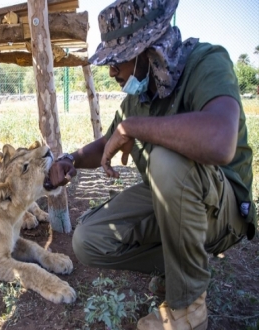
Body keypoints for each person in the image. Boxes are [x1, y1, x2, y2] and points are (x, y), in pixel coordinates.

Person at [49, 0, 257, 329]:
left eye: (119, 59)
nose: (112, 71)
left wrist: (134, 128)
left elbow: (220, 140)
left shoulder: (206, 62)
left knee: (166, 159)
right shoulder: (141, 95)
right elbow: (108, 143)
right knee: (88, 239)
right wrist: (70, 159)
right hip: (173, 205)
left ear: (151, 50)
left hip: (223, 211)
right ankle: (181, 269)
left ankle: (188, 308)